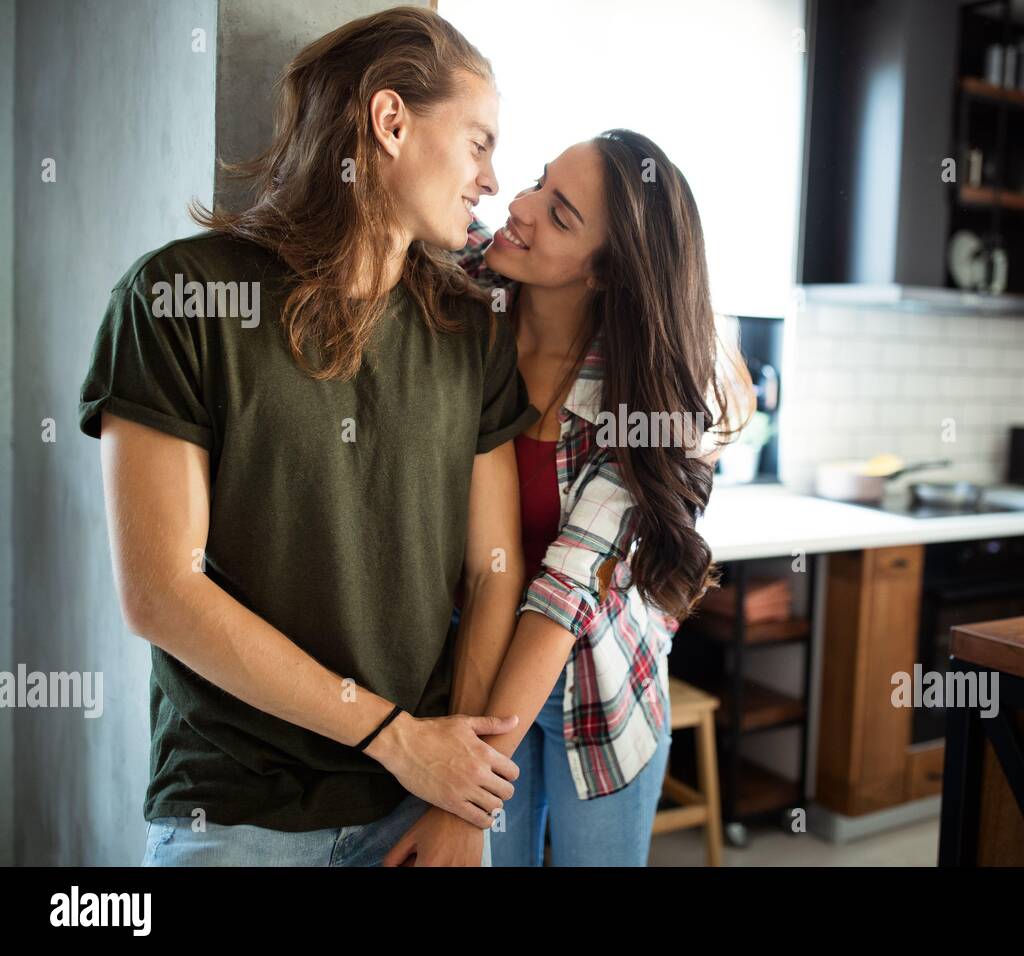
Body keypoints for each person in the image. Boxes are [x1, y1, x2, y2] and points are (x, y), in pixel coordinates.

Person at [78, 7, 535, 866]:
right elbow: (160, 592)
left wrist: (461, 799)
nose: (491, 177)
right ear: (390, 121)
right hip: (234, 814)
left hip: (417, 809)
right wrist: (395, 737)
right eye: (477, 141)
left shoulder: (472, 331)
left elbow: (491, 570)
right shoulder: (177, 299)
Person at [384, 129, 751, 866]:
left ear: (608, 272)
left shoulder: (641, 403)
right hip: (480, 662)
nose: (518, 206)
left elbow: (563, 595)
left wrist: (465, 796)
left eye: (559, 215)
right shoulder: (475, 291)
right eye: (536, 182)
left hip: (601, 684)